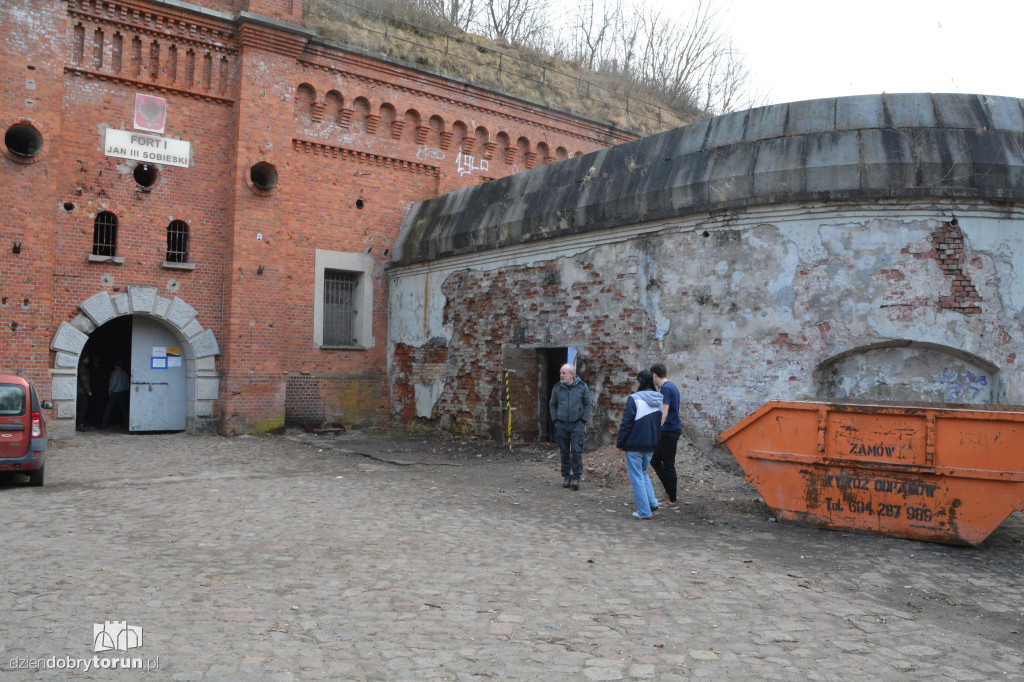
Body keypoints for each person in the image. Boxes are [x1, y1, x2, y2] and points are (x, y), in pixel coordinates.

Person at [616, 370, 663, 519]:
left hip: (635, 444)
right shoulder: (659, 399)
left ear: (640, 382)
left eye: (637, 381)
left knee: (636, 476)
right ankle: (653, 502)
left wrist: (620, 442)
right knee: (642, 473)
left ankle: (644, 511)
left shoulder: (634, 399)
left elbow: (626, 423)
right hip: (650, 444)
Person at [548, 363, 593, 490]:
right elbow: (552, 404)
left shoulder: (582, 386)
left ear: (571, 374)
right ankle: (566, 476)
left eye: (564, 373)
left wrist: (583, 420)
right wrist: (555, 419)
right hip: (561, 424)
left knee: (576, 450)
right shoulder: (557, 388)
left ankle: (577, 477)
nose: (561, 375)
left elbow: (588, 403)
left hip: (576, 424)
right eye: (561, 373)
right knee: (564, 451)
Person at [650, 363, 683, 509]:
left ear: (655, 375)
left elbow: (664, 412)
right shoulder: (672, 386)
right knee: (655, 460)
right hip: (670, 430)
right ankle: (668, 492)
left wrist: (656, 429)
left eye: (652, 376)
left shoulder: (665, 389)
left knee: (668, 464)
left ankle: (673, 499)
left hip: (669, 431)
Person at [100, 360, 130, 429]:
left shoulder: (114, 372)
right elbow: (127, 384)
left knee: (109, 408)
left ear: (115, 365)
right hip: (123, 392)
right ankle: (127, 423)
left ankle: (104, 423)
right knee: (123, 409)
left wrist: (110, 391)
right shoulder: (125, 373)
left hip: (115, 393)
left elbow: (113, 383)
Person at [76, 355, 92, 431]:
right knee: (83, 408)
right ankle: (79, 423)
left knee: (79, 407)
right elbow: (84, 380)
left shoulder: (77, 366)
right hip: (81, 391)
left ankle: (78, 422)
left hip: (78, 391)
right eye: (87, 358)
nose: (88, 360)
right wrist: (88, 391)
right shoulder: (83, 368)